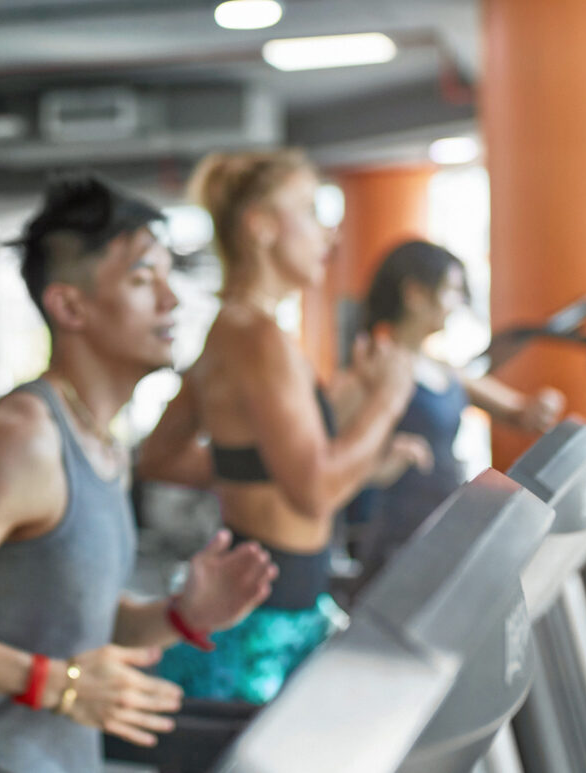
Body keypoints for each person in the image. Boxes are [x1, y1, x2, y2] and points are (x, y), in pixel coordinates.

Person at [0, 174, 277, 773]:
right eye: (140, 279)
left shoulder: (102, 442)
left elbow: (76, 623)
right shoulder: (23, 440)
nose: (171, 300)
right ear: (70, 305)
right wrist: (53, 683)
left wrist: (181, 615)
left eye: (167, 276)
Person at [137, 149, 429, 705]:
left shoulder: (233, 331)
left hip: (279, 606)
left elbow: (166, 456)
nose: (330, 234)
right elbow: (313, 489)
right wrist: (386, 403)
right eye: (311, 212)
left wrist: (359, 440)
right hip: (265, 627)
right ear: (261, 228)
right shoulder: (259, 341)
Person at [350, 240, 564, 574]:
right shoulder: (372, 364)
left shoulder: (440, 367)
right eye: (451, 291)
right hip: (400, 541)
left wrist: (545, 403)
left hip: (446, 525)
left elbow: (523, 413)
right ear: (415, 294)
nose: (457, 303)